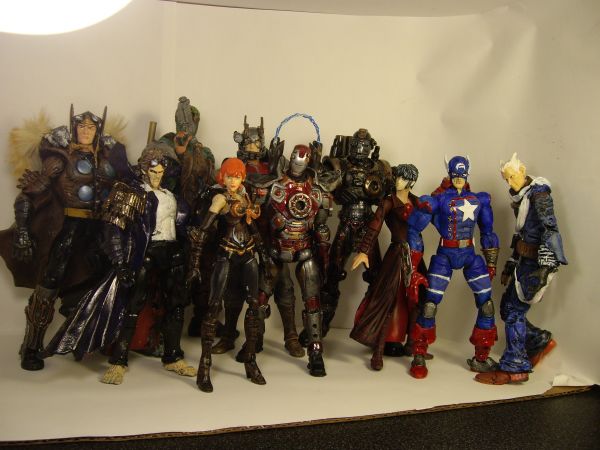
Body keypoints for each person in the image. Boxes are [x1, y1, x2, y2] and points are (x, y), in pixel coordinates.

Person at [0, 107, 129, 371]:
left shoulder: (107, 160)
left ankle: (80, 340)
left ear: (98, 131)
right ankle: (31, 346)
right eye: (81, 127)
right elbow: (27, 197)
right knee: (49, 283)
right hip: (67, 228)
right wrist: (22, 231)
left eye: (91, 128)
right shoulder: (60, 160)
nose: (86, 131)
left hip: (99, 231)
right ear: (73, 129)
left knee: (97, 282)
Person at [100, 144, 196, 385]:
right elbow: (114, 229)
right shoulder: (134, 193)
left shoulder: (171, 196)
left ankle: (173, 356)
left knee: (176, 305)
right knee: (133, 304)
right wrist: (120, 263)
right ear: (144, 170)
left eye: (161, 171)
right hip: (146, 252)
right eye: (153, 171)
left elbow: (183, 227)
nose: (157, 176)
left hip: (172, 252)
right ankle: (119, 360)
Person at [476, 153, 567, 384]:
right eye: (506, 179)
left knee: (514, 312)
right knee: (507, 308)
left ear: (523, 171)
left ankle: (515, 366)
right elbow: (521, 234)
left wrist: (545, 268)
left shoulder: (539, 194)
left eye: (512, 176)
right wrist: (511, 263)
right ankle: (537, 340)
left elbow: (550, 229)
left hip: (536, 264)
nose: (510, 182)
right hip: (524, 262)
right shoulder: (523, 197)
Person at [408, 156, 500, 379]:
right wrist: (414, 266)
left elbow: (488, 232)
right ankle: (418, 353)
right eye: (455, 175)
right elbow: (413, 229)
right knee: (429, 305)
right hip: (445, 254)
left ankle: (481, 357)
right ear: (449, 174)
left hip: (469, 254)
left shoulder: (479, 200)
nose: (459, 179)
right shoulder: (438, 200)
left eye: (462, 175)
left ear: (468, 174)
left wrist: (491, 262)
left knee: (487, 305)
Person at [188, 157, 269, 392]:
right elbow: (203, 231)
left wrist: (264, 255)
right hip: (226, 253)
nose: (233, 181)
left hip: (248, 254)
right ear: (222, 177)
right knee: (214, 306)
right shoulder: (220, 198)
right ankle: (205, 365)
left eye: (237, 176)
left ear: (242, 178)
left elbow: (252, 227)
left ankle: (250, 360)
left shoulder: (244, 196)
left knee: (254, 306)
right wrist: (195, 263)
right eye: (229, 176)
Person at [349, 164, 428, 370]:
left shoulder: (417, 201)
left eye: (402, 178)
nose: (397, 181)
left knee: (419, 299)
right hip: (397, 254)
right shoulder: (389, 201)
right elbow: (375, 225)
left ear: (411, 181)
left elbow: (434, 216)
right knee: (388, 300)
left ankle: (412, 345)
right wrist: (364, 250)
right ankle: (378, 351)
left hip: (416, 254)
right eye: (397, 177)